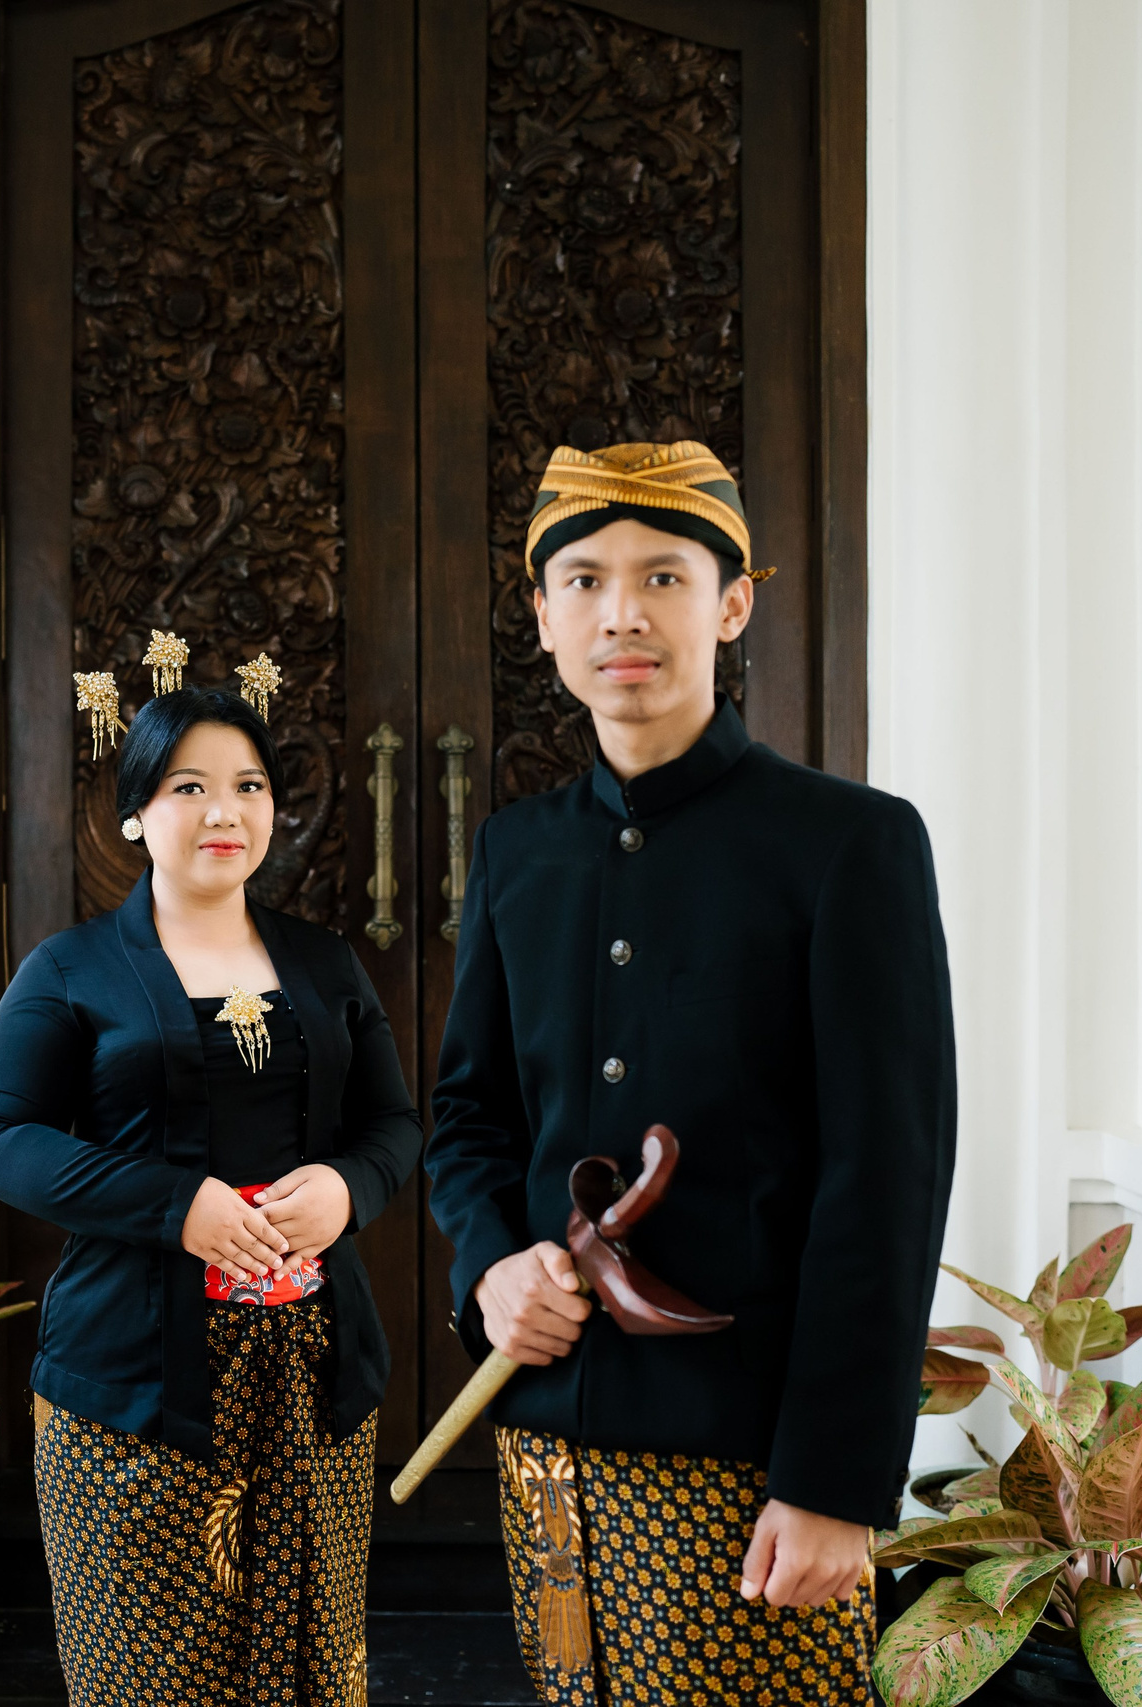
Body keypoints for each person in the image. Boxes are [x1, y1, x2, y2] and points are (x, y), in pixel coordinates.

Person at [425, 441, 958, 1705]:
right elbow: (468, 1117)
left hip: (751, 1457)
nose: (624, 612)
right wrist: (489, 1270)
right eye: (585, 579)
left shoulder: (851, 845)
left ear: (732, 603)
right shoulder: (516, 851)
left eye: (664, 576)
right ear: (543, 616)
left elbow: (885, 1178)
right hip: (545, 1443)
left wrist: (834, 1479)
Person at [0, 680, 423, 1707]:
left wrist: (348, 1189)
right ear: (135, 812)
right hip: (132, 1390)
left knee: (312, 1664)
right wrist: (178, 1208)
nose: (225, 812)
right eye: (189, 787)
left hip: (312, 1378)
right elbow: (1, 1143)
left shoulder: (324, 963)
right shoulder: (70, 970)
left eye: (249, 786)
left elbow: (395, 1126)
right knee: (148, 1673)